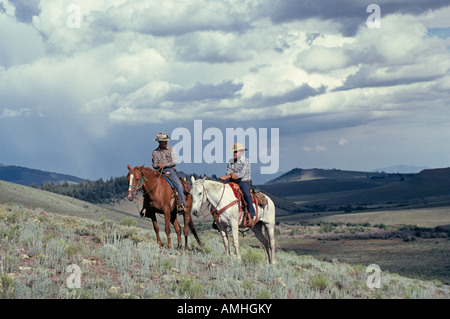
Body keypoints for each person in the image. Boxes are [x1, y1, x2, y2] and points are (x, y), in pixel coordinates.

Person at [220, 142, 256, 226]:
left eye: (236, 152)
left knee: (247, 194)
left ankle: (251, 212)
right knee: (223, 191)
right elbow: (228, 171)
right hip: (233, 181)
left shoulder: (246, 161)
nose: (234, 153)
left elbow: (241, 175)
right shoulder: (230, 162)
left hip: (244, 181)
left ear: (242, 152)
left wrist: (229, 175)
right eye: (234, 152)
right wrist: (231, 175)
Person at [152, 132, 186, 212]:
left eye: (166, 141)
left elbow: (174, 161)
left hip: (170, 170)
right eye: (164, 141)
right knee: (149, 185)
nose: (166, 143)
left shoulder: (171, 149)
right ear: (159, 142)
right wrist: (158, 166)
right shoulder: (155, 152)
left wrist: (164, 165)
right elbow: (154, 164)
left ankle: (181, 203)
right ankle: (147, 207)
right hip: (158, 171)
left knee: (179, 185)